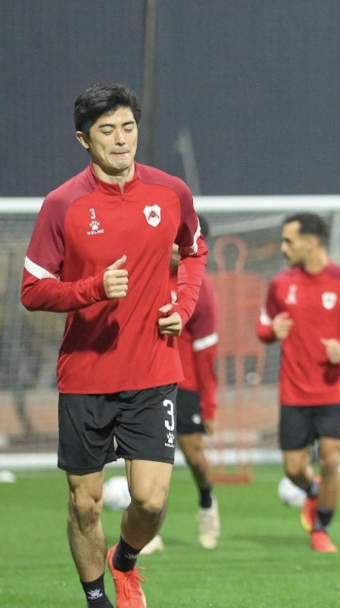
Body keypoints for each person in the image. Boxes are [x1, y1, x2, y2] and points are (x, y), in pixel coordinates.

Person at [21, 83, 206, 608]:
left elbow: (194, 252)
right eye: (107, 131)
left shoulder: (171, 191)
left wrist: (184, 305)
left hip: (152, 370)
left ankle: (124, 559)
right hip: (85, 375)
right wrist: (92, 288)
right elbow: (32, 290)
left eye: (128, 128)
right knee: (85, 504)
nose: (121, 140)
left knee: (150, 500)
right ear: (84, 139)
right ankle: (98, 598)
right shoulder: (62, 204)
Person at [256, 212, 340, 553]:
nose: (283, 248)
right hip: (294, 390)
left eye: (288, 241)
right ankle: (311, 491)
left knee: (330, 458)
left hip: (333, 389)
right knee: (294, 468)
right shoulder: (281, 284)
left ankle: (321, 529)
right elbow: (263, 327)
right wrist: (271, 332)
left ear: (310, 243)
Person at [142, 216, 222, 555]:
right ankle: (147, 531)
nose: (174, 246)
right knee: (150, 460)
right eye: (170, 238)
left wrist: (210, 406)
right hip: (147, 382)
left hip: (185, 383)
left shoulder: (200, 286)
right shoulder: (146, 273)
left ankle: (207, 503)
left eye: (181, 240)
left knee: (193, 455)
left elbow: (206, 353)